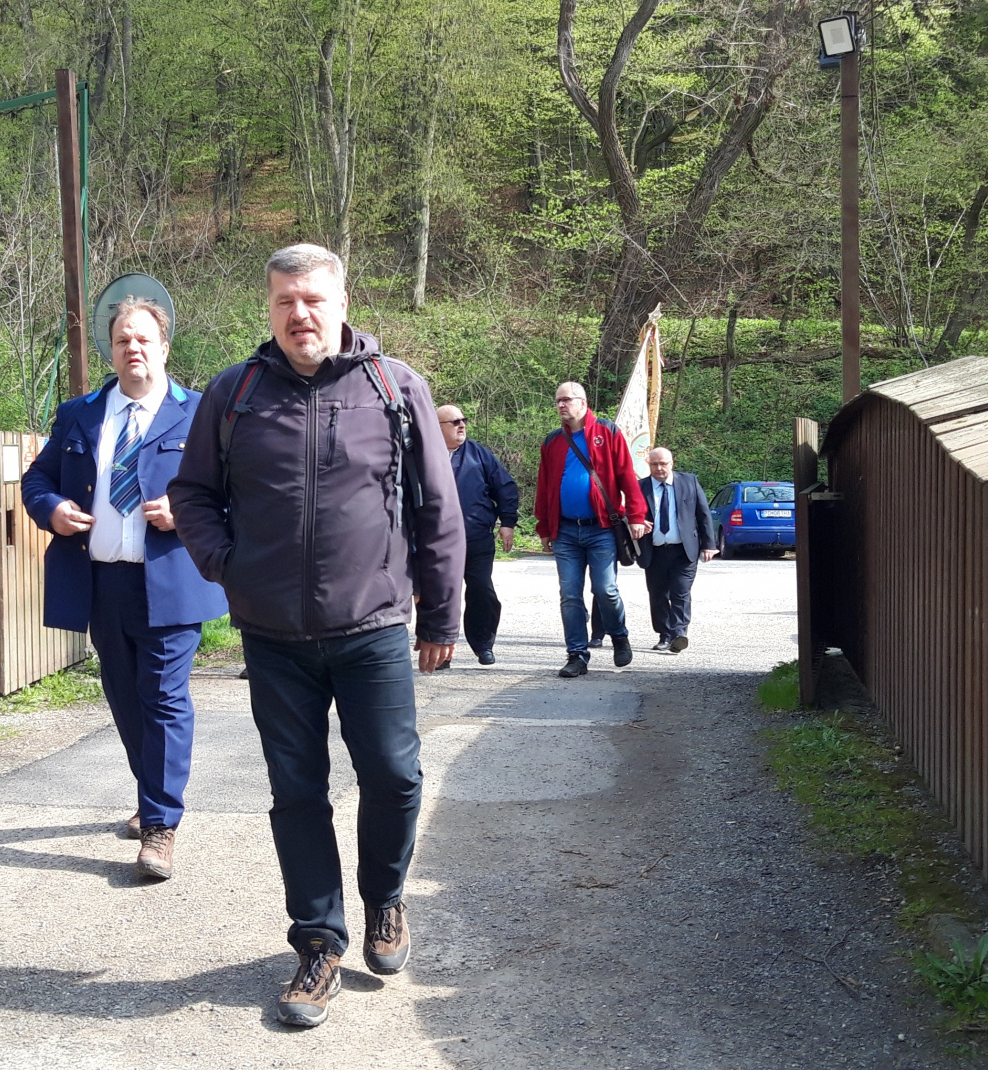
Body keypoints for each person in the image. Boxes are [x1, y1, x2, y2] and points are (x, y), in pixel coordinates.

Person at [169, 243, 464, 1029]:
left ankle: (385, 898)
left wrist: (441, 615)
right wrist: (228, 566)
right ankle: (318, 944)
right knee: (297, 793)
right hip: (274, 638)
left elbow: (438, 507)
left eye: (312, 300)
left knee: (394, 777)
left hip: (373, 628)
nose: (299, 314)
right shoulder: (235, 393)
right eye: (285, 301)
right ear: (269, 309)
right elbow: (192, 494)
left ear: (341, 304)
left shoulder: (393, 386)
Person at [21, 296, 227, 882]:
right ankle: (151, 793)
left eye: (142, 339)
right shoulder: (79, 414)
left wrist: (187, 515)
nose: (132, 348)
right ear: (110, 350)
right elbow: (38, 478)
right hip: (101, 581)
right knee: (125, 697)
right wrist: (52, 508)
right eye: (121, 340)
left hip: (172, 582)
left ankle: (160, 826)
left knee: (163, 697)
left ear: (164, 347)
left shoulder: (200, 414)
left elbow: (239, 490)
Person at [534, 381, 649, 678]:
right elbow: (544, 486)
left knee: (605, 590)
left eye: (567, 400)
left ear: (583, 403)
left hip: (601, 529)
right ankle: (576, 655)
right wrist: (544, 527)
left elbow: (626, 475)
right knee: (570, 595)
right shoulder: (552, 441)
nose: (561, 405)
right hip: (565, 531)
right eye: (558, 401)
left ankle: (619, 635)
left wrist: (636, 515)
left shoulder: (607, 432)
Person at [438, 404, 518, 665]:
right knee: (442, 597)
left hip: (476, 538)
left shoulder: (478, 454)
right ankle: (442, 651)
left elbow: (505, 487)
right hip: (437, 542)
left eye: (463, 420)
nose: (461, 425)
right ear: (436, 428)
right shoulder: (424, 455)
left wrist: (507, 522)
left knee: (481, 591)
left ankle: (483, 644)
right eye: (454, 422)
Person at [638, 447, 718, 653]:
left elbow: (703, 514)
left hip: (683, 550)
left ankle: (679, 634)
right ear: (649, 465)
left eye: (663, 464)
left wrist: (709, 545)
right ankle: (664, 635)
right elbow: (631, 513)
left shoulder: (689, 482)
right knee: (657, 595)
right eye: (654, 464)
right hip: (654, 551)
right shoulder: (641, 487)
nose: (659, 468)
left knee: (680, 592)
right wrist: (637, 521)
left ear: (671, 463)